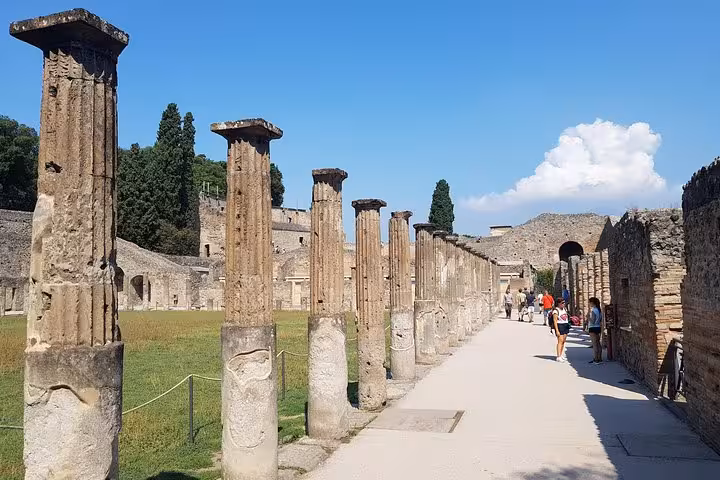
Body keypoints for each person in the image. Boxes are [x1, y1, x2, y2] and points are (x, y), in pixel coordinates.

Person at [553, 298, 570, 362]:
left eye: (564, 302)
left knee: (563, 341)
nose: (564, 304)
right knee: (560, 341)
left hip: (565, 325)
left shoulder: (565, 309)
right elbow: (555, 321)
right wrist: (557, 330)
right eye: (562, 303)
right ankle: (558, 356)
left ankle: (561, 354)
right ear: (558, 303)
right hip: (560, 325)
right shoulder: (556, 311)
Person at [588, 297, 603, 364]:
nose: (589, 304)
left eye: (590, 302)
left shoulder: (593, 310)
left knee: (594, 344)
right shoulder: (599, 310)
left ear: (592, 303)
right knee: (598, 343)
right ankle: (600, 358)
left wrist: (588, 317)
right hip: (598, 327)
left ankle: (596, 359)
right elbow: (600, 320)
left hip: (593, 327)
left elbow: (593, 321)